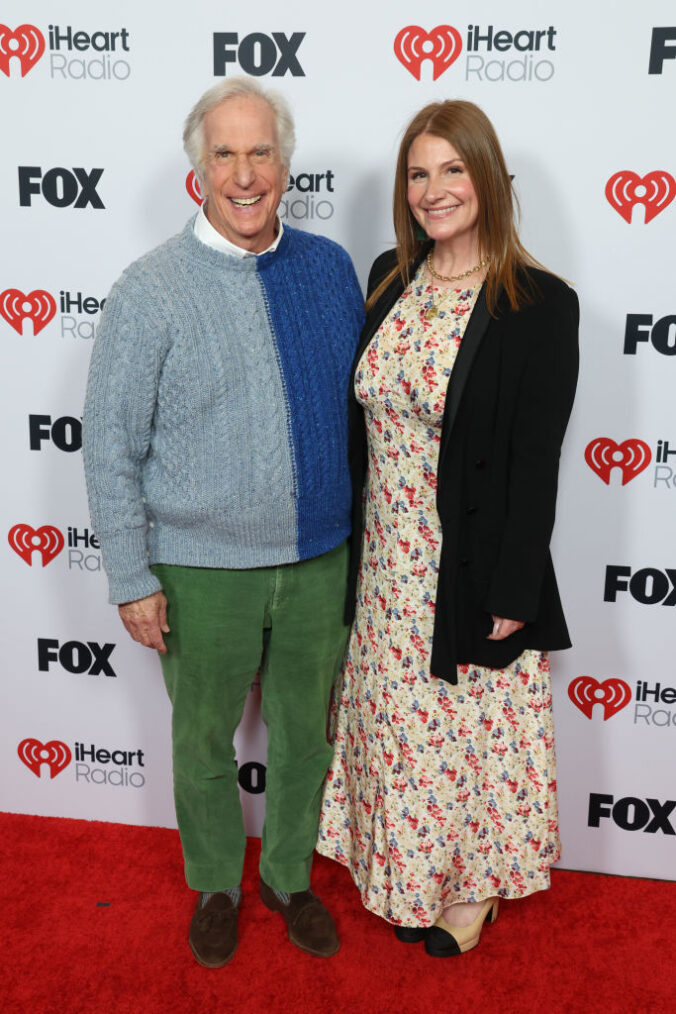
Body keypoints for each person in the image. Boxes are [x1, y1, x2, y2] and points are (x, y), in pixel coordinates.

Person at [82, 76, 364, 968]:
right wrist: (131, 578)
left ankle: (287, 876)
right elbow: (110, 447)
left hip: (319, 559)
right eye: (225, 154)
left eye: (261, 152)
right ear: (196, 171)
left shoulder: (328, 270)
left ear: (286, 164)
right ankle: (214, 882)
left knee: (306, 738)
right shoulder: (150, 289)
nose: (245, 173)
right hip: (199, 569)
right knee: (202, 740)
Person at [317, 100, 579, 958]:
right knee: (403, 732)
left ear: (488, 178)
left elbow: (537, 461)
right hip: (387, 558)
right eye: (418, 173)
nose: (434, 191)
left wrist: (513, 588)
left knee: (468, 734)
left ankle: (471, 893)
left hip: (468, 561)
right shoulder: (390, 273)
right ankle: (406, 872)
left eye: (452, 170)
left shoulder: (538, 304)